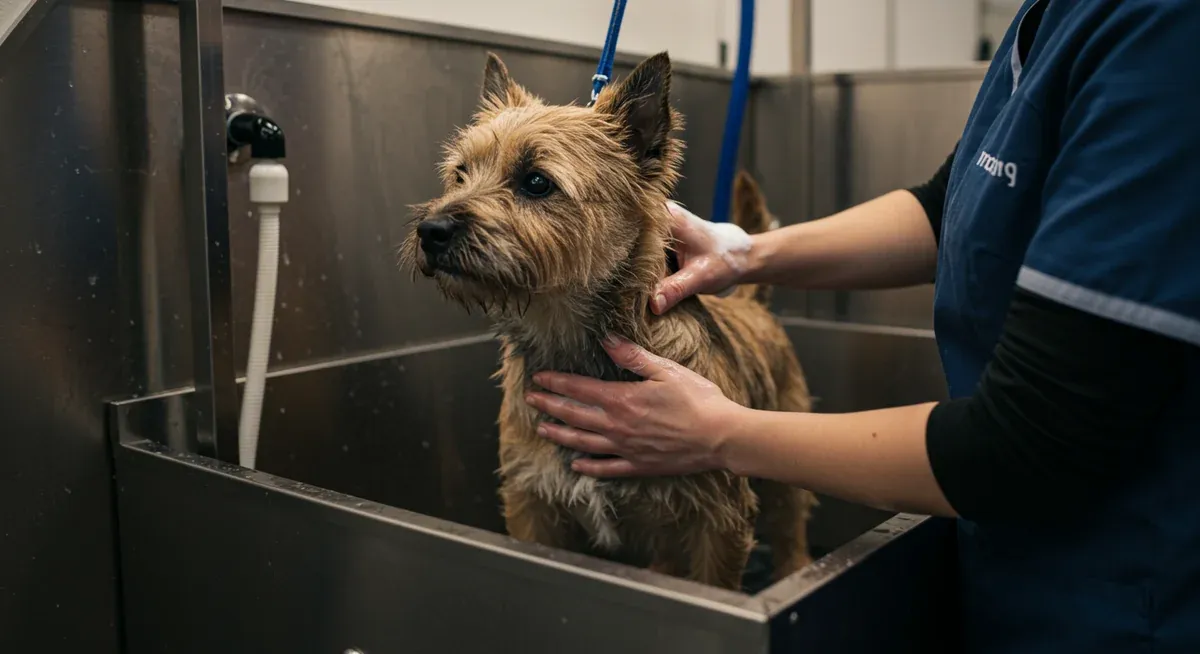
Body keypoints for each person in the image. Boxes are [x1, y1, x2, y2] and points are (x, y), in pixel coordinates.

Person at [522, 0, 1200, 651]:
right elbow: (954, 202)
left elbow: (1029, 440)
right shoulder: (1051, 15)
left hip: (1125, 602)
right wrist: (747, 252)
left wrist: (722, 433)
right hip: (1009, 568)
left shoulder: (1163, 30)